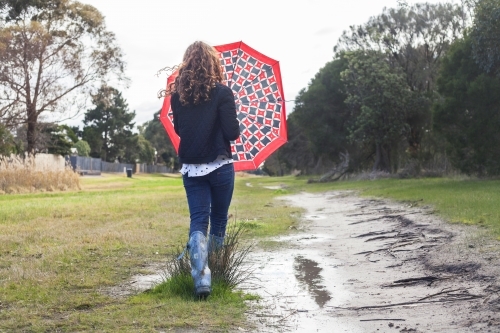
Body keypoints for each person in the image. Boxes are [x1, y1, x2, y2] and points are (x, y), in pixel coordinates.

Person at [167, 41, 240, 298]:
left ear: (186, 64)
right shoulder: (223, 93)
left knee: (199, 221)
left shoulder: (178, 96)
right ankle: (217, 272)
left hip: (191, 168)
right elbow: (232, 132)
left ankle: (201, 278)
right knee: (219, 219)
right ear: (213, 64)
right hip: (220, 166)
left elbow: (180, 130)